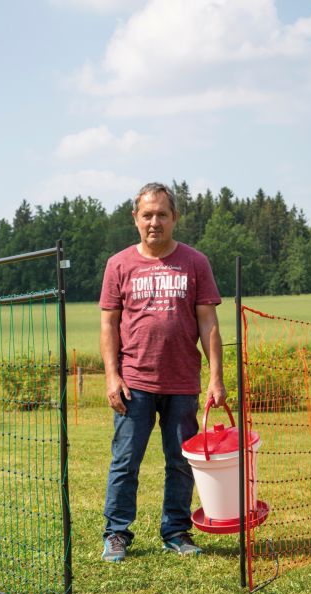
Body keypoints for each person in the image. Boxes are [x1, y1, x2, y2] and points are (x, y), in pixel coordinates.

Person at [99, 182, 227, 562]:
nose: (155, 222)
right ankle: (117, 534)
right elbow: (108, 325)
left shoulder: (195, 262)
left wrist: (216, 377)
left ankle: (176, 531)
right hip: (134, 383)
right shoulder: (118, 264)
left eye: (162, 215)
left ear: (175, 218)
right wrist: (111, 376)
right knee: (125, 462)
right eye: (147, 215)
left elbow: (209, 323)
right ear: (136, 219)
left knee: (180, 461)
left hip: (182, 382)